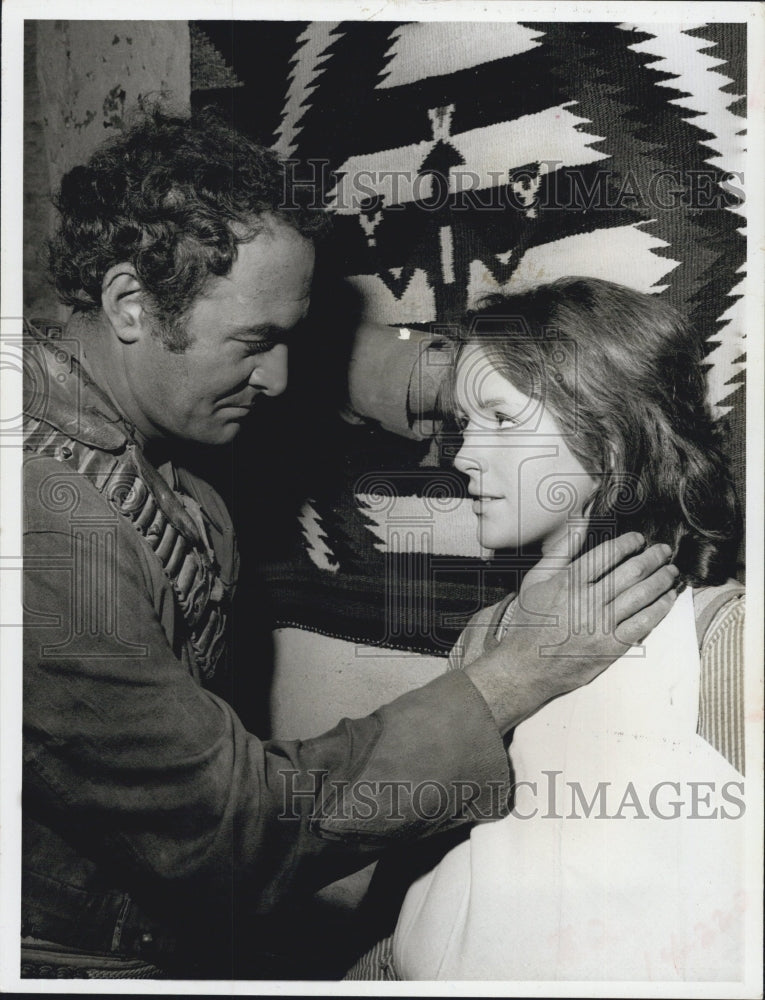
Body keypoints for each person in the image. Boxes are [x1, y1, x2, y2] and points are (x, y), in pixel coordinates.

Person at [22, 110, 678, 980]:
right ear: (129, 305)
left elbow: (330, 362)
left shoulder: (117, 375)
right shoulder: (45, 529)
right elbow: (231, 832)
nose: (279, 378)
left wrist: (492, 375)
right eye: (257, 344)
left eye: (290, 339)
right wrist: (509, 679)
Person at [347, 277, 746, 982]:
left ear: (611, 438)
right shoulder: (487, 634)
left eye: (501, 420)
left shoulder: (720, 636)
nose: (462, 456)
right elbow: (427, 885)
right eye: (463, 423)